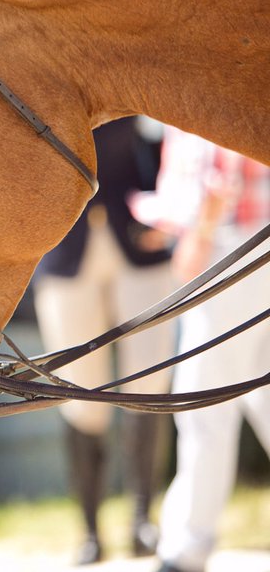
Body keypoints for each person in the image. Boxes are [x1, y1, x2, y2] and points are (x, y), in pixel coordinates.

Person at [31, 117, 176, 565]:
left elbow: (169, 136)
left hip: (140, 244)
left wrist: (171, 209)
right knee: (78, 393)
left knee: (149, 386)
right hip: (64, 252)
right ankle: (91, 532)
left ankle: (142, 520)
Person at [133, 127, 270, 572]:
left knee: (204, 401)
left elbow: (221, 168)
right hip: (243, 238)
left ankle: (187, 548)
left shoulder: (210, 64)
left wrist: (199, 235)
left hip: (230, 243)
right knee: (259, 391)